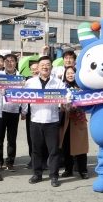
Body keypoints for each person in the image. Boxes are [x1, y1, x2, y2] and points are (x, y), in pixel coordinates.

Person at [26, 56, 66, 188]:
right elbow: (22, 96)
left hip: (52, 120)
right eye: (42, 64)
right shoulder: (30, 82)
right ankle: (37, 174)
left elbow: (67, 95)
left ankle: (54, 176)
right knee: (36, 149)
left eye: (47, 64)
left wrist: (66, 102)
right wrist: (23, 111)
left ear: (51, 67)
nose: (45, 67)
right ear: (38, 67)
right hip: (35, 119)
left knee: (53, 150)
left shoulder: (58, 83)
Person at [59, 66, 89, 180]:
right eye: (68, 73)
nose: (70, 75)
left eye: (72, 73)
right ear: (65, 75)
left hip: (78, 119)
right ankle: (68, 169)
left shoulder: (82, 88)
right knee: (66, 146)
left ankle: (83, 170)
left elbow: (87, 102)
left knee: (80, 146)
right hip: (66, 119)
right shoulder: (62, 87)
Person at [0, 53, 21, 172]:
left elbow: (25, 96)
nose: (9, 63)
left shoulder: (20, 78)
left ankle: (10, 161)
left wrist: (24, 111)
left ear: (16, 63)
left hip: (14, 111)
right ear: (3, 63)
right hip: (0, 111)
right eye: (7, 61)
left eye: (12, 61)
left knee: (11, 139)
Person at [23, 61, 40, 169]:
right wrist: (24, 111)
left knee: (42, 138)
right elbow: (24, 98)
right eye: (32, 69)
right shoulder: (28, 82)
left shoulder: (47, 80)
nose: (34, 71)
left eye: (36, 68)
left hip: (43, 112)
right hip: (31, 111)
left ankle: (43, 159)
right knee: (31, 137)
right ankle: (32, 158)